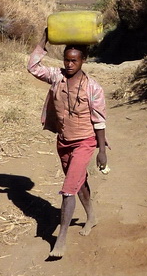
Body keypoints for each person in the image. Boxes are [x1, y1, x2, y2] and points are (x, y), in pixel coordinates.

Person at [27, 28, 108, 258]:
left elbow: (99, 120)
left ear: (83, 61)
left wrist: (102, 151)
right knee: (78, 181)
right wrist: (44, 38)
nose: (70, 64)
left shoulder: (93, 87)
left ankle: (60, 238)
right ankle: (91, 215)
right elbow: (33, 67)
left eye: (75, 60)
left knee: (68, 189)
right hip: (63, 141)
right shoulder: (57, 77)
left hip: (85, 142)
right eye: (67, 59)